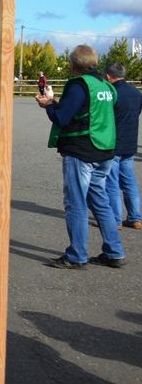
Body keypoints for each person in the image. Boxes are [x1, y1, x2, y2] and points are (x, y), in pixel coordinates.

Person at [36, 44, 125, 269]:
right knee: (99, 200)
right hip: (105, 149)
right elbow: (88, 111)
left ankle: (76, 255)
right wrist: (57, 103)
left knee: (75, 203)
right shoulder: (105, 85)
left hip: (81, 150)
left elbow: (62, 118)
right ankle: (114, 251)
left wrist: (48, 105)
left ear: (73, 64)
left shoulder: (78, 85)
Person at [104, 62, 141, 230]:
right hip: (130, 143)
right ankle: (135, 218)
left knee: (111, 182)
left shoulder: (112, 93)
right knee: (129, 181)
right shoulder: (136, 93)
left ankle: (115, 219)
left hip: (114, 143)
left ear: (108, 76)